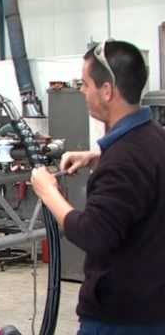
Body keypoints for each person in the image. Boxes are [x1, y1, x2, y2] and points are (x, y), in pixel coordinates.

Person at [31, 40, 165, 334]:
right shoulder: (154, 136)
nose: (82, 91)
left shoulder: (122, 160)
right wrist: (98, 157)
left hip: (120, 318)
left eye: (86, 84)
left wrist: (48, 191)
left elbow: (94, 234)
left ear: (107, 91)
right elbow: (143, 169)